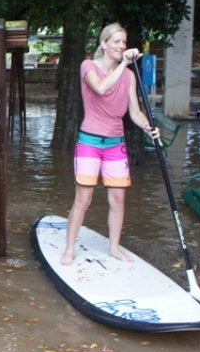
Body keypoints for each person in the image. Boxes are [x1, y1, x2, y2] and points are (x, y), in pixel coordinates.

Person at [60, 23, 159, 266]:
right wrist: (124, 63)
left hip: (116, 144)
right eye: (116, 42)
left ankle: (114, 247)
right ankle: (70, 248)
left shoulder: (129, 76)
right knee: (83, 200)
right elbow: (101, 88)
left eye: (124, 43)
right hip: (89, 142)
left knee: (117, 200)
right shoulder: (88, 66)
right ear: (104, 44)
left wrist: (148, 126)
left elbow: (134, 113)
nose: (121, 46)